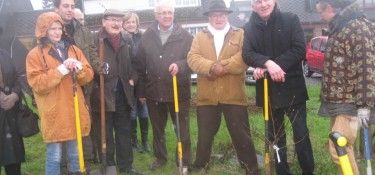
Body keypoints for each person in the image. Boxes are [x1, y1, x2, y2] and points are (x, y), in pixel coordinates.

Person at [187, 0, 260, 174]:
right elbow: (192, 58)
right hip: (207, 97)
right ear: (209, 18)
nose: (218, 18)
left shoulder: (240, 34)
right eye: (214, 15)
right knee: (205, 135)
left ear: (227, 16)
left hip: (234, 95)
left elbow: (244, 57)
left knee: (241, 135)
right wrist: (211, 67)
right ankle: (200, 166)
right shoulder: (199, 37)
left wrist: (222, 67)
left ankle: (251, 168)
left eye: (221, 15)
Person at [242, 0, 314, 174]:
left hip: (293, 89)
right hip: (268, 91)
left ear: (274, 1)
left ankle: (308, 170)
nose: (263, 4)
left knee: (300, 133)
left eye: (266, 0)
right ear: (253, 6)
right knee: (275, 136)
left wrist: (274, 65)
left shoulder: (290, 19)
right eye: (258, 2)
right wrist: (266, 62)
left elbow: (299, 49)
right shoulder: (249, 27)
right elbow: (247, 54)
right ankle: (282, 171)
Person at [25, 12, 94, 175]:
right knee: (54, 156)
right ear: (43, 31)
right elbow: (37, 83)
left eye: (59, 28)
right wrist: (60, 71)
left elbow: (88, 76)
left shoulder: (74, 50)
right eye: (52, 29)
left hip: (74, 110)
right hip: (54, 112)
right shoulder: (34, 55)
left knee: (76, 154)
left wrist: (80, 69)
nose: (57, 32)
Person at [315, 0, 374, 174]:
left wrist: (364, 105)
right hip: (339, 100)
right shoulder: (342, 27)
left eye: (321, 12)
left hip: (350, 101)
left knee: (340, 147)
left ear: (331, 8)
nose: (320, 16)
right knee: (342, 148)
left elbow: (367, 68)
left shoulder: (356, 28)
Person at [136, 0, 193, 171]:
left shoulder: (186, 36)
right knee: (158, 129)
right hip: (153, 91)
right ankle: (160, 157)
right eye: (163, 13)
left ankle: (184, 161)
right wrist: (141, 91)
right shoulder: (146, 36)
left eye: (170, 12)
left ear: (173, 15)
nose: (167, 16)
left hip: (178, 91)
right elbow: (140, 65)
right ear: (156, 15)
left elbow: (193, 61)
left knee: (182, 130)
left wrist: (181, 65)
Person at [91, 9, 141, 175]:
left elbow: (136, 61)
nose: (116, 23)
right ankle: (108, 165)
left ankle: (126, 165)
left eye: (119, 20)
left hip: (123, 93)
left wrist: (133, 78)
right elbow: (88, 63)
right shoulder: (95, 39)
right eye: (112, 19)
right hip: (102, 94)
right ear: (103, 21)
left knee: (124, 131)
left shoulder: (127, 38)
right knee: (104, 134)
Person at [54, 0, 101, 169]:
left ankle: (84, 163)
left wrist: (98, 67)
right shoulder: (49, 31)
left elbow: (92, 52)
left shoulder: (82, 30)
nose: (70, 10)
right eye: (65, 6)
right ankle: (65, 165)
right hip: (59, 90)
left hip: (83, 85)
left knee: (83, 125)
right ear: (56, 8)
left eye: (72, 7)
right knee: (64, 127)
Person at [122, 12, 151, 153]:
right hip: (129, 80)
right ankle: (134, 141)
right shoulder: (121, 38)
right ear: (123, 24)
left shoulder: (144, 37)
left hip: (143, 80)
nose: (131, 24)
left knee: (144, 111)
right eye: (128, 22)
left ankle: (145, 141)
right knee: (132, 112)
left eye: (133, 22)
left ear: (137, 23)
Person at [0, 27, 25, 175]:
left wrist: (15, 95)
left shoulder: (4, 55)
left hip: (10, 116)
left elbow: (17, 78)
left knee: (13, 162)